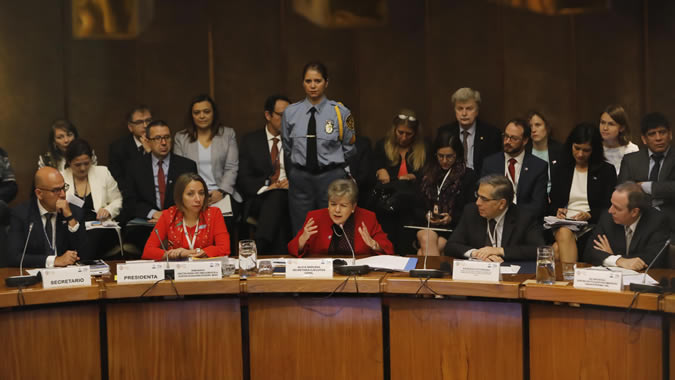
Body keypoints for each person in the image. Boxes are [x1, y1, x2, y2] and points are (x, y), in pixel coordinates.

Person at [282, 61, 356, 235]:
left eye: (318, 81)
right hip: (301, 178)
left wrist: (332, 165)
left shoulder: (340, 112)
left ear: (326, 82)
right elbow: (287, 147)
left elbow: (349, 147)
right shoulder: (290, 112)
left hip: (331, 176)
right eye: (308, 81)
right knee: (301, 228)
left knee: (333, 228)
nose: (313, 86)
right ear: (303, 83)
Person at [549, 123, 617, 263]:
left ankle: (567, 282)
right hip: (563, 222)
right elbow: (553, 202)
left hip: (591, 225)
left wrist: (589, 214)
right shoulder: (561, 168)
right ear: (570, 146)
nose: (580, 154)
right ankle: (571, 282)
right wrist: (558, 210)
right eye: (577, 148)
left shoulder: (606, 171)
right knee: (563, 232)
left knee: (556, 251)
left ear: (594, 150)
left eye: (586, 150)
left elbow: (609, 207)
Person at [445, 175, 545, 261]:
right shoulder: (471, 211)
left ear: (501, 204)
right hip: (477, 271)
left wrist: (499, 251)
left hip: (510, 273)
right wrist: (476, 253)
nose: (478, 203)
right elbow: (451, 246)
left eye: (484, 199)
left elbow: (538, 250)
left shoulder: (523, 217)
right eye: (478, 196)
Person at [238, 94, 292, 253]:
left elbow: (305, 171)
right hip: (260, 198)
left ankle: (260, 247)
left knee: (279, 200)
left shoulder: (296, 140)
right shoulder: (251, 140)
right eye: (282, 116)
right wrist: (267, 187)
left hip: (291, 195)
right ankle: (278, 255)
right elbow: (243, 178)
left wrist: (292, 182)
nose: (287, 120)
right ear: (268, 115)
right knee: (276, 197)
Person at [7, 167, 90, 268]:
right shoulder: (21, 214)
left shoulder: (74, 212)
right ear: (39, 193)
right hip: (37, 275)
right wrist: (54, 260)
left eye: (64, 188)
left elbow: (86, 255)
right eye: (56, 190)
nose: (63, 194)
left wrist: (70, 217)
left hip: (68, 277)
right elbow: (13, 257)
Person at [288, 179, 393, 257]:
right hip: (323, 275)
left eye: (343, 205)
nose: (337, 210)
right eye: (333, 204)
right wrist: (302, 240)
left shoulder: (367, 218)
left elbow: (388, 248)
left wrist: (373, 244)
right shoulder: (315, 218)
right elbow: (292, 248)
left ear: (353, 207)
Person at [372, 108, 428, 254]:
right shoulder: (382, 146)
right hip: (387, 205)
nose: (403, 137)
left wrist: (414, 176)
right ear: (394, 130)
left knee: (406, 244)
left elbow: (429, 174)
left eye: (408, 134)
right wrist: (378, 170)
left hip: (411, 206)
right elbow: (371, 171)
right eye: (400, 132)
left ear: (415, 134)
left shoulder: (424, 149)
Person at [174, 94, 243, 213]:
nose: (202, 116)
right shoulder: (181, 138)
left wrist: (221, 192)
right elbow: (181, 172)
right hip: (192, 194)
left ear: (213, 113)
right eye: (197, 113)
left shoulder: (228, 134)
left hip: (222, 192)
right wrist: (197, 194)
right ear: (192, 115)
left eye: (206, 111)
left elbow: (231, 168)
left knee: (223, 223)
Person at [415, 130, 477, 256]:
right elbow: (414, 206)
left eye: (449, 156)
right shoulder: (425, 173)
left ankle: (428, 274)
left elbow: (471, 209)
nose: (444, 161)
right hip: (426, 226)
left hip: (453, 229)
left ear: (458, 155)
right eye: (440, 156)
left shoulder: (467, 176)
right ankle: (436, 274)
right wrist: (427, 215)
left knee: (424, 251)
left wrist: (450, 218)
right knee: (428, 237)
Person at [124, 120, 198, 222]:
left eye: (167, 137)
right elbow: (130, 201)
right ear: (148, 141)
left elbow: (193, 199)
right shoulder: (134, 167)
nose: (163, 143)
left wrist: (168, 215)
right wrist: (154, 214)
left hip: (179, 220)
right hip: (146, 221)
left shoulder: (187, 166)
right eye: (158, 138)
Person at [143, 173, 230, 260]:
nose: (198, 199)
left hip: (204, 269)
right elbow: (148, 251)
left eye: (201, 193)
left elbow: (224, 249)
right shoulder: (168, 215)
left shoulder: (214, 213)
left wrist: (189, 253)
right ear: (180, 196)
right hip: (177, 269)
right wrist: (173, 254)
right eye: (190, 194)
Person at [584, 182, 669, 269]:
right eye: (611, 204)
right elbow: (590, 252)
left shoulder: (657, 221)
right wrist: (618, 260)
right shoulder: (607, 217)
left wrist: (611, 256)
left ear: (634, 212)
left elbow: (653, 259)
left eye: (617, 208)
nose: (610, 210)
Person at [618, 112, 675, 237]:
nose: (658, 138)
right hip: (639, 216)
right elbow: (624, 191)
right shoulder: (631, 160)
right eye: (652, 134)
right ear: (644, 139)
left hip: (670, 220)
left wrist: (645, 186)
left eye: (662, 132)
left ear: (670, 134)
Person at [481, 118, 548, 218]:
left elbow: (537, 206)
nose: (507, 141)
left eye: (514, 138)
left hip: (524, 220)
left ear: (525, 141)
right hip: (495, 217)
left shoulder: (538, 166)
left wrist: (512, 215)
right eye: (506, 136)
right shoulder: (490, 163)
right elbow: (484, 197)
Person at [436, 87, 502, 172]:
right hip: (452, 181)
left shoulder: (491, 134)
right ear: (454, 111)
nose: (464, 113)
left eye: (469, 109)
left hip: (481, 182)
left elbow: (494, 166)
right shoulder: (444, 132)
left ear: (477, 111)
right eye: (460, 109)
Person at [64, 139, 123, 222]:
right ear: (69, 162)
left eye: (86, 163)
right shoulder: (61, 177)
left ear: (91, 159)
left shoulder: (103, 173)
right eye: (78, 165)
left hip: (100, 225)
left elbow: (118, 200)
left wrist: (108, 210)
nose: (83, 168)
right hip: (72, 226)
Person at [108, 105, 153, 186]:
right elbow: (117, 180)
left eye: (148, 121)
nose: (145, 125)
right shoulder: (118, 148)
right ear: (130, 127)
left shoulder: (161, 142)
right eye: (139, 122)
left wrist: (151, 152)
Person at [525, 110, 563, 193]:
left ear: (547, 127)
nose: (533, 130)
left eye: (537, 125)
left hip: (553, 198)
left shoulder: (560, 150)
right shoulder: (524, 150)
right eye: (530, 126)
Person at [599, 105, 639, 174]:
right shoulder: (594, 148)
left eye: (611, 124)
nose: (605, 128)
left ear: (622, 128)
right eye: (602, 122)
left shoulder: (631, 150)